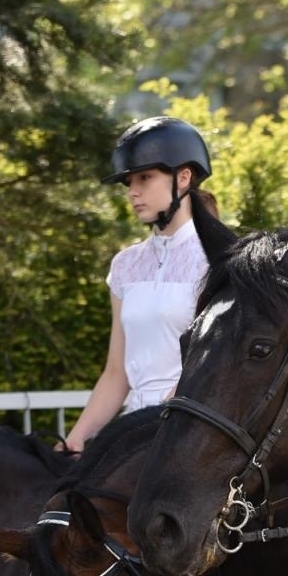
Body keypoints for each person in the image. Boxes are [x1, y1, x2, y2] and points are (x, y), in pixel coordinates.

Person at [63, 116, 215, 452]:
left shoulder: (217, 260)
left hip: (192, 433)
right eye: (129, 182)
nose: (133, 191)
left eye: (145, 178)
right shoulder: (125, 266)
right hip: (136, 429)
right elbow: (117, 374)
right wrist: (76, 438)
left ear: (184, 177)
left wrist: (160, 421)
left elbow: (213, 367)